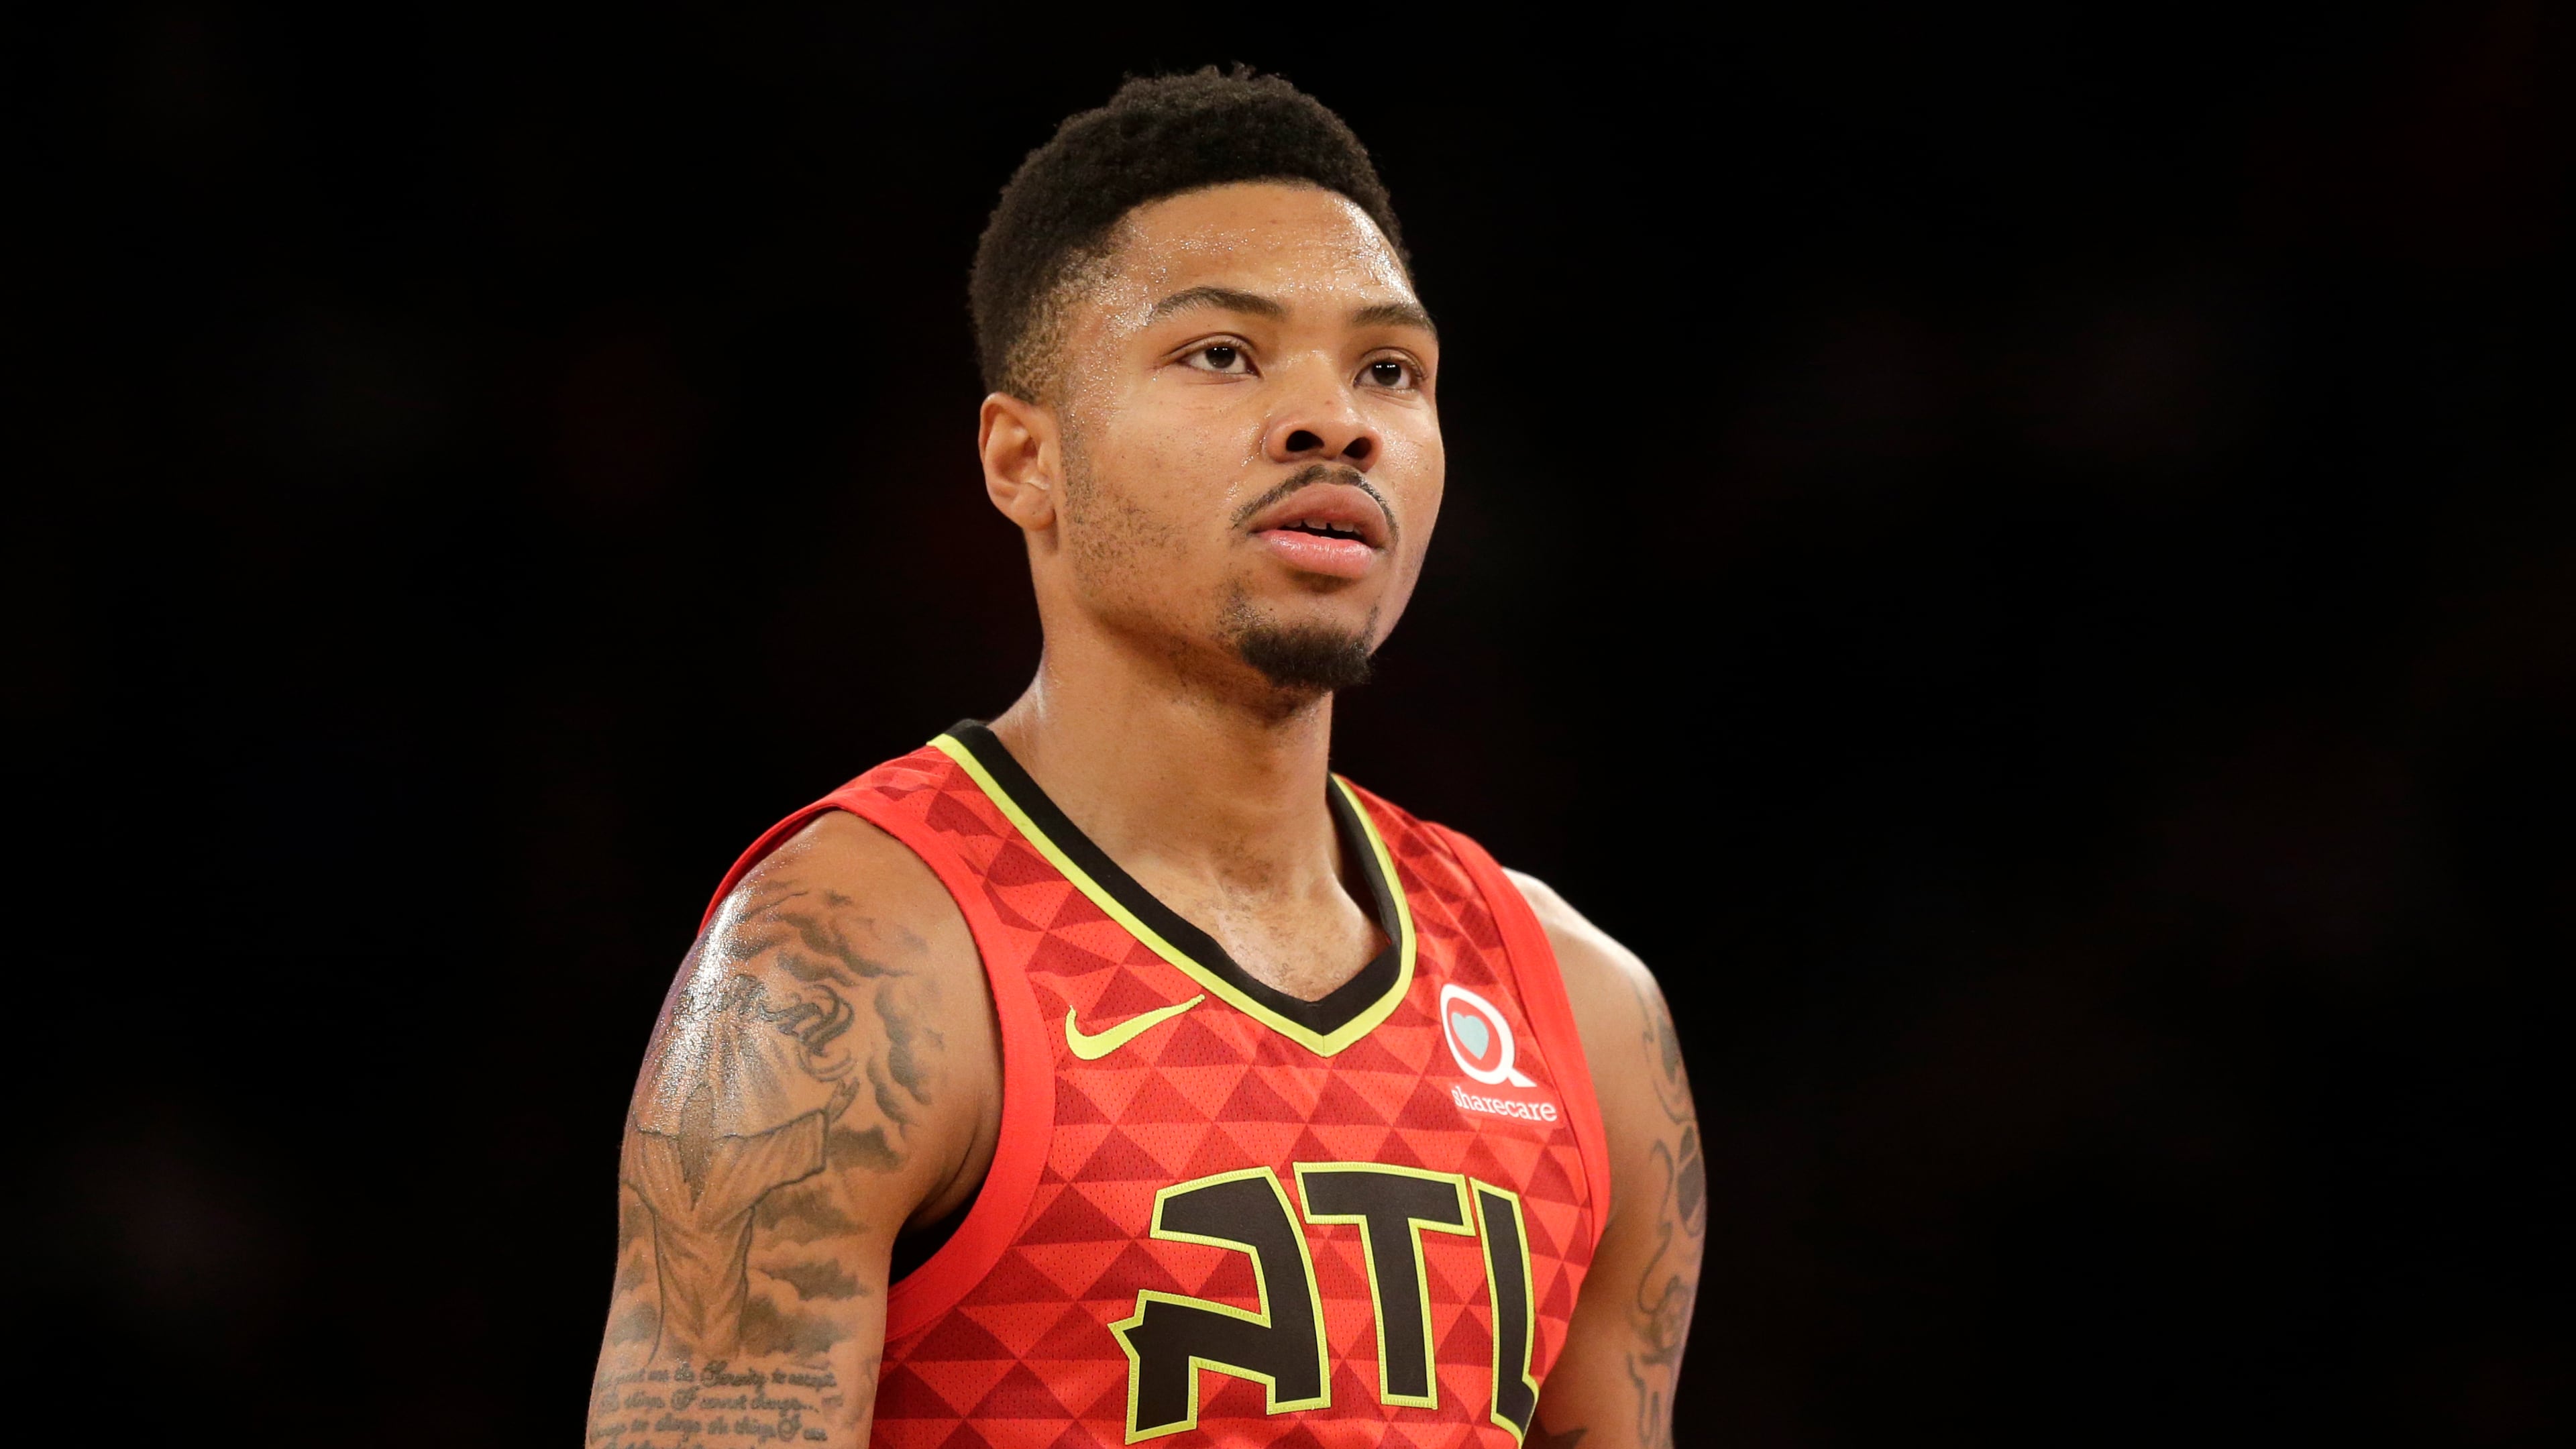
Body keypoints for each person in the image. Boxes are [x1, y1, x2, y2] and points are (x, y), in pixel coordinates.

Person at [586, 68, 1704, 1449]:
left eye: (1389, 370)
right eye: (1224, 354)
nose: (1336, 421)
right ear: (1024, 461)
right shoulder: (849, 963)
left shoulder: (1583, 1011)